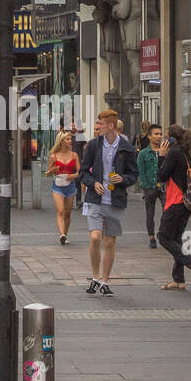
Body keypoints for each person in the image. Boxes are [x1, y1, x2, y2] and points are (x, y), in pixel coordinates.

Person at [79, 109, 138, 296]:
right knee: (95, 237)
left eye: (101, 125)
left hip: (115, 200)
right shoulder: (94, 146)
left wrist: (123, 179)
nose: (98, 128)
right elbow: (82, 172)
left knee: (110, 242)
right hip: (95, 198)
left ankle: (105, 281)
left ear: (111, 126)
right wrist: (93, 183)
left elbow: (134, 175)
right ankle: (95, 277)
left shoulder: (126, 148)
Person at [156, 124, 191, 291]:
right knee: (175, 238)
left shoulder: (175, 153)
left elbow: (162, 175)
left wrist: (161, 157)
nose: (164, 140)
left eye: (166, 136)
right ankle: (178, 279)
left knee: (163, 236)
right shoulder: (186, 151)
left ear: (172, 138)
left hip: (176, 201)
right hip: (186, 202)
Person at [45, 130, 80, 244]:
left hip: (70, 186)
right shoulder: (53, 156)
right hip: (58, 186)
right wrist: (53, 170)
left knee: (67, 213)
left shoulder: (74, 155)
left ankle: (65, 234)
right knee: (60, 211)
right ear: (61, 142)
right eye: (68, 139)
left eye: (70, 139)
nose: (70, 141)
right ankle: (62, 235)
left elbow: (80, 172)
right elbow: (47, 173)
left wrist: (73, 176)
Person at [136, 123, 166, 249]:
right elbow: (141, 171)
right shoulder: (143, 153)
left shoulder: (165, 151)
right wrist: (146, 186)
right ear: (149, 136)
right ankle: (151, 236)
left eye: (160, 134)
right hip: (150, 187)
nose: (159, 137)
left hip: (164, 187)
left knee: (167, 210)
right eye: (156, 134)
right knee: (150, 213)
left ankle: (163, 233)